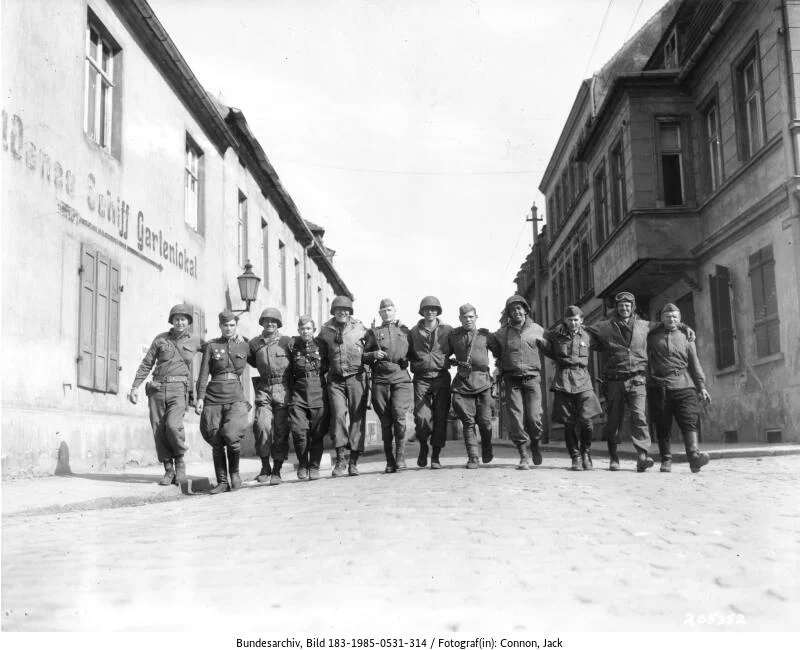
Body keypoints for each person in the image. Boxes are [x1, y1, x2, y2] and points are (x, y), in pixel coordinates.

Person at [585, 290, 693, 472]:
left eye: (627, 306)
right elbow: (583, 330)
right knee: (613, 421)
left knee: (639, 417)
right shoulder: (604, 327)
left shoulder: (645, 326)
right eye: (621, 306)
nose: (624, 309)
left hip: (637, 379)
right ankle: (614, 457)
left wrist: (683, 326)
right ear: (616, 308)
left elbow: (667, 322)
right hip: (614, 380)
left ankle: (642, 455)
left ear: (632, 307)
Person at [128, 304, 202, 486]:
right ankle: (169, 470)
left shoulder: (195, 340)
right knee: (159, 429)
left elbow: (215, 350)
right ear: (172, 321)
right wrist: (135, 386)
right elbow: (147, 363)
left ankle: (180, 461)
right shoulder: (160, 339)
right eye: (176, 319)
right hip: (157, 389)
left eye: (183, 319)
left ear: (188, 322)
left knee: (172, 425)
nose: (180, 322)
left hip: (179, 389)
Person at [647, 303, 711, 473]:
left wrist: (701, 387)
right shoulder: (651, 336)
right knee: (662, 424)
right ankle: (666, 460)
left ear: (680, 318)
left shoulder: (686, 337)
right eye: (668, 316)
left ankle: (694, 458)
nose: (672, 319)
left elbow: (694, 362)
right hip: (659, 386)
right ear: (661, 319)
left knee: (689, 421)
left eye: (675, 317)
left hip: (684, 384)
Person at [540, 305, 602, 470]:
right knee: (568, 423)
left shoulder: (589, 334)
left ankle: (585, 453)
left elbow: (606, 342)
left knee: (587, 422)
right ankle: (575, 456)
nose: (573, 323)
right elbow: (540, 337)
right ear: (564, 321)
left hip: (583, 380)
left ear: (581, 320)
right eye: (569, 320)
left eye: (576, 320)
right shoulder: (555, 335)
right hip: (564, 381)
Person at [195, 310, 250, 494]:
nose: (229, 328)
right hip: (213, 396)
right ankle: (222, 481)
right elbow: (203, 375)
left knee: (232, 435)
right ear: (220, 326)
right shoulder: (211, 347)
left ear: (236, 326)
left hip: (235, 395)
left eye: (232, 325)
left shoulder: (245, 346)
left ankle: (234, 473)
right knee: (216, 438)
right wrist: (200, 398)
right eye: (225, 325)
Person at [490, 295, 547, 470]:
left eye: (519, 308)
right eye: (513, 309)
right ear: (509, 313)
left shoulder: (538, 329)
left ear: (526, 309)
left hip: (532, 378)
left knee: (535, 417)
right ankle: (523, 454)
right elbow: (491, 345)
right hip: (512, 379)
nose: (517, 312)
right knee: (515, 418)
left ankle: (535, 442)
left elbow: (552, 347)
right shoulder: (502, 333)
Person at [318, 295, 369, 477]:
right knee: (338, 415)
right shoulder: (325, 331)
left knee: (357, 417)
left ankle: (353, 461)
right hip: (336, 379)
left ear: (350, 312)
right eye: (339, 309)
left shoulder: (361, 329)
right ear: (333, 311)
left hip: (357, 378)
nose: (343, 312)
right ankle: (340, 459)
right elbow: (320, 356)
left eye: (346, 310)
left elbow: (372, 348)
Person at [364, 298, 413, 473]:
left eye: (390, 310)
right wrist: (373, 354)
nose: (387, 313)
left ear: (395, 311)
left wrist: (407, 360)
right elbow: (363, 356)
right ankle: (390, 460)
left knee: (399, 416)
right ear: (380, 313)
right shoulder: (373, 333)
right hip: (381, 379)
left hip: (400, 377)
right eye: (384, 311)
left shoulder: (406, 331)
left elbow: (415, 353)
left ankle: (400, 457)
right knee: (385, 422)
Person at [446, 304, 496, 469]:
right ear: (460, 319)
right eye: (464, 317)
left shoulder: (485, 336)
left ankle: (487, 447)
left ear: (476, 317)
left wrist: (499, 372)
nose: (468, 320)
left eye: (471, 317)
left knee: (486, 422)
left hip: (483, 382)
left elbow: (500, 353)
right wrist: (452, 361)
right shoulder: (453, 336)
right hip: (463, 383)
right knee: (468, 422)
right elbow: (443, 355)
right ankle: (473, 457)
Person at [407, 295, 453, 469]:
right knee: (422, 417)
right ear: (422, 312)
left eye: (433, 309)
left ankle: (436, 456)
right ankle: (423, 446)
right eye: (426, 309)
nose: (430, 312)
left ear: (438, 311)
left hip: (441, 377)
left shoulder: (448, 330)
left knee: (441, 417)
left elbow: (459, 346)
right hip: (421, 379)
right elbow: (406, 350)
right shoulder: (413, 332)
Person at [248, 308, 292, 485]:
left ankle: (277, 470)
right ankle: (265, 466)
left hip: (283, 388)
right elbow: (250, 360)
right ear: (262, 323)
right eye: (266, 321)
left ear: (278, 324)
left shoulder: (287, 342)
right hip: (264, 388)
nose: (270, 324)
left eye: (274, 321)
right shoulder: (254, 344)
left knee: (281, 430)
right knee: (261, 425)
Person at [288, 315, 329, 481]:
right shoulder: (292, 346)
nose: (305, 331)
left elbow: (329, 363)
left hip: (318, 390)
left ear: (314, 330)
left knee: (317, 433)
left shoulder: (322, 345)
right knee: (299, 431)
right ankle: (303, 464)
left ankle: (314, 467)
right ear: (298, 330)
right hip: (299, 391)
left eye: (308, 328)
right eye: (302, 328)